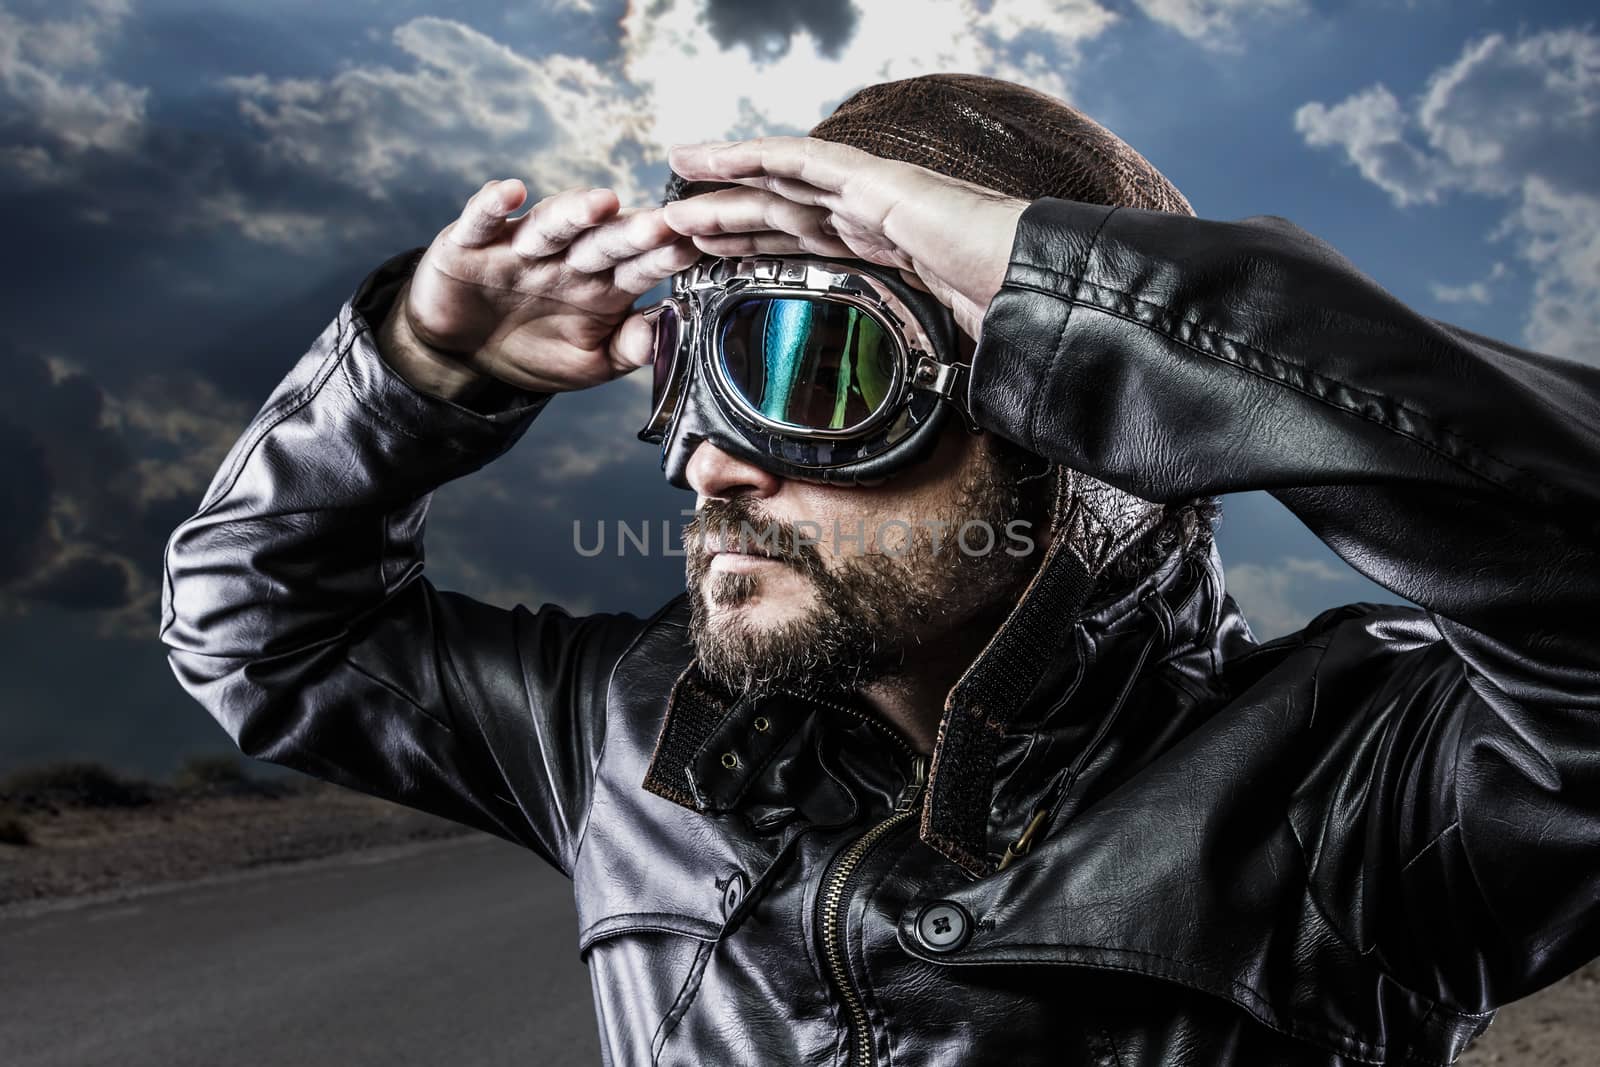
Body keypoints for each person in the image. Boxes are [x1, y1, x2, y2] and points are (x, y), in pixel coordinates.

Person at [161, 73, 1600, 1065]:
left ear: (1082, 437)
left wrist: (1072, 289)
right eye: (694, 368)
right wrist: (422, 370)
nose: (709, 463)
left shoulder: (1355, 792)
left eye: (814, 364)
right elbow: (258, 630)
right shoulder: (634, 728)